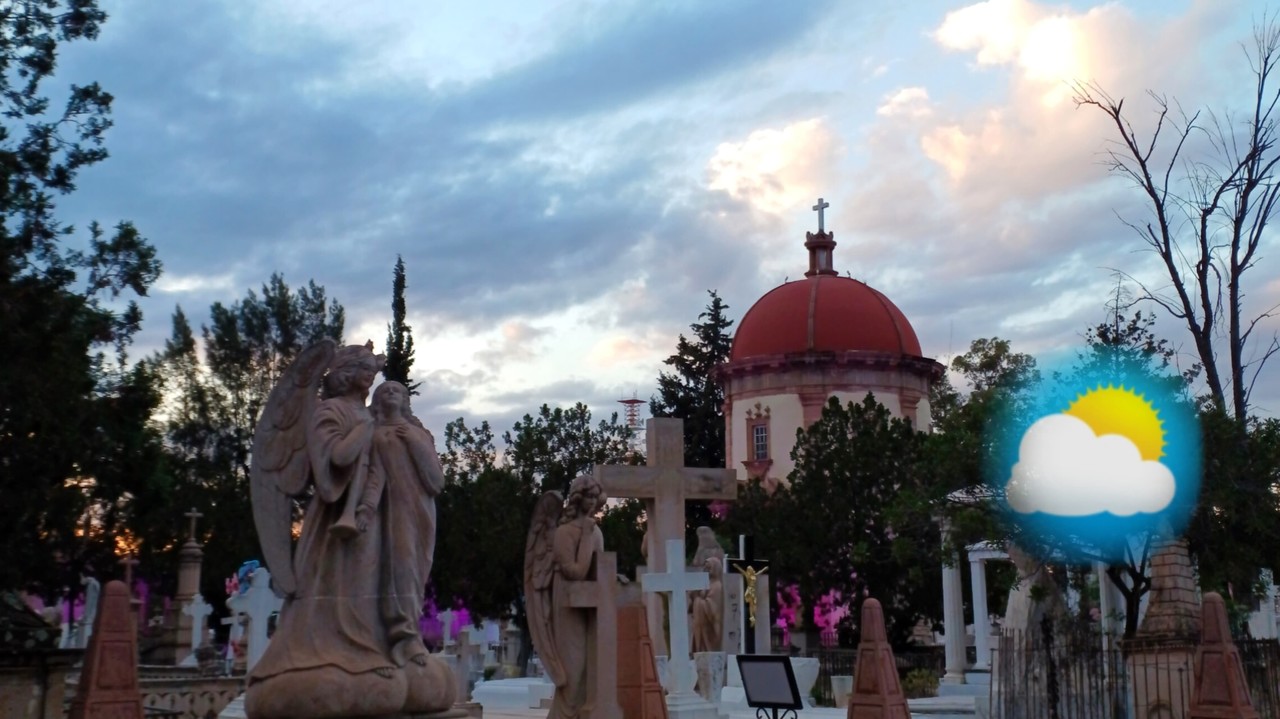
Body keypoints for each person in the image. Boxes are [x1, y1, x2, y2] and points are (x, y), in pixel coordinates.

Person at [366, 380, 444, 667]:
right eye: (384, 390)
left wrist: (412, 441)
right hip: (386, 511)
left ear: (405, 400)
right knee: (394, 566)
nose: (390, 392)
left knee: (413, 568)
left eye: (397, 390)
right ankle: (399, 635)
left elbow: (436, 481)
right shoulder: (372, 433)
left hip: (417, 509)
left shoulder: (417, 433)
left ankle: (407, 634)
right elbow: (372, 475)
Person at [550, 475, 607, 719]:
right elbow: (575, 572)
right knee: (572, 672)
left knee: (590, 673)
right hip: (567, 606)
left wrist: (612, 578)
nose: (593, 502)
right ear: (578, 498)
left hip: (592, 606)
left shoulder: (596, 532)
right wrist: (585, 535)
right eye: (589, 497)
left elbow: (598, 567)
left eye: (596, 497)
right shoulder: (564, 533)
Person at [690, 556, 723, 653]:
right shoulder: (704, 584)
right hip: (700, 623)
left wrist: (698, 601)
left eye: (709, 568)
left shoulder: (717, 586)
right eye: (705, 568)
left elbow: (713, 607)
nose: (706, 570)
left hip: (709, 625)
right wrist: (694, 597)